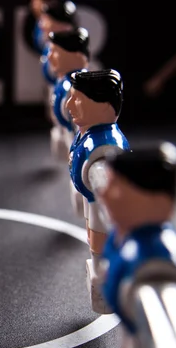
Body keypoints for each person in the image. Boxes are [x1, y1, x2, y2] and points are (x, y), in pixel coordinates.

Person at [98, 143, 176, 348]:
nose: (105, 193)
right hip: (135, 331)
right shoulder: (126, 236)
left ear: (156, 200)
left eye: (116, 185)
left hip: (146, 340)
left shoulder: (157, 262)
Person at [66, 69, 130, 314]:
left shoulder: (105, 148)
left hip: (101, 207)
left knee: (102, 241)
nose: (70, 104)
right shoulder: (88, 134)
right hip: (91, 200)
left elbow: (107, 183)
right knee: (95, 237)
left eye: (77, 98)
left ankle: (107, 279)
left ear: (103, 106)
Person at [47, 27, 89, 162]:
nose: (49, 56)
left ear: (77, 56)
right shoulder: (63, 82)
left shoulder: (79, 89)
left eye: (56, 52)